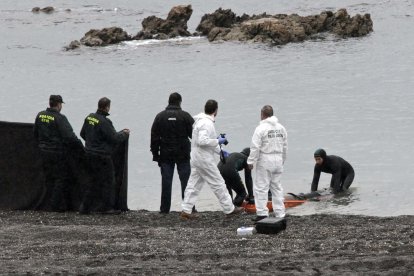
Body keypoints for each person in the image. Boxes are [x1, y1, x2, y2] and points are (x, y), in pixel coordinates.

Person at [181, 99, 244, 219]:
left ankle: (186, 209)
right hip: (204, 159)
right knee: (218, 183)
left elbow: (204, 142)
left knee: (193, 184)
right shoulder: (207, 123)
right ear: (215, 110)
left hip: (195, 157)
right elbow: (202, 141)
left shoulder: (200, 121)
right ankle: (229, 209)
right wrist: (218, 141)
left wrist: (220, 151)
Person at [79, 97, 130, 214]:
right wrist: (125, 134)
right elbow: (115, 138)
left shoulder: (89, 117)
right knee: (108, 181)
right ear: (107, 107)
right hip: (102, 157)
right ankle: (107, 208)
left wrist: (92, 143)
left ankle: (84, 208)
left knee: (93, 181)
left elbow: (82, 134)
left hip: (88, 154)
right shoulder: (104, 122)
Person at [33, 95, 84, 212]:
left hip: (43, 152)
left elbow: (35, 133)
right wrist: (81, 149)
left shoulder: (40, 115)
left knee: (49, 178)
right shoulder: (60, 118)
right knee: (60, 178)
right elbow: (70, 137)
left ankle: (46, 204)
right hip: (56, 152)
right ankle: (55, 206)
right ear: (59, 104)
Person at [150, 92, 195, 214]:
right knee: (186, 181)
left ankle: (164, 209)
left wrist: (155, 155)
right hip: (183, 154)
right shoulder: (185, 116)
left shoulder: (160, 117)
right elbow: (194, 136)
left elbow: (154, 137)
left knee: (166, 181)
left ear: (169, 102)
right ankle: (188, 208)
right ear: (180, 102)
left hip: (165, 154)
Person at [247, 105, 288, 221]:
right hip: (278, 159)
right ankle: (280, 213)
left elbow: (255, 147)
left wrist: (251, 161)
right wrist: (283, 159)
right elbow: (285, 146)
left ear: (262, 114)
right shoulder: (281, 128)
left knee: (261, 188)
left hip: (265, 159)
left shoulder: (261, 128)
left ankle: (262, 213)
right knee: (277, 187)